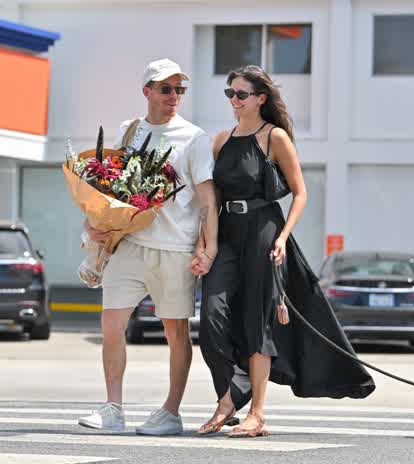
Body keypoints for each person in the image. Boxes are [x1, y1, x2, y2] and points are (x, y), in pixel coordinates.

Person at [193, 65, 375, 438]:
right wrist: (204, 245)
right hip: (227, 233)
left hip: (264, 231)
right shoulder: (221, 141)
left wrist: (282, 237)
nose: (234, 100)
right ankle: (228, 397)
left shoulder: (274, 137)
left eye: (241, 94)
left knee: (258, 322)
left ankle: (256, 414)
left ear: (261, 98)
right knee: (211, 317)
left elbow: (300, 192)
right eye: (230, 93)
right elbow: (210, 201)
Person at [78, 58, 218, 435]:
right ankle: (113, 408)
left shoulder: (194, 137)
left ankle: (170, 412)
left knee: (175, 332)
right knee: (111, 324)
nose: (174, 96)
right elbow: (107, 186)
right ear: (147, 91)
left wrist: (208, 247)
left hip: (175, 249)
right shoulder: (129, 131)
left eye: (179, 89)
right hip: (130, 243)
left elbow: (208, 198)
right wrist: (93, 223)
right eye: (166, 88)